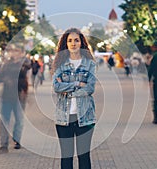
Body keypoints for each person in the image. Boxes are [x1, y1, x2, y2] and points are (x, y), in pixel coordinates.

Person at [52, 28, 96, 169]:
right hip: (64, 118)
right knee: (66, 157)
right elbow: (56, 87)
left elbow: (90, 88)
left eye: (76, 40)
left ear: (81, 42)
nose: (73, 43)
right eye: (69, 40)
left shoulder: (90, 64)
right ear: (65, 43)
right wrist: (77, 84)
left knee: (84, 158)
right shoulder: (60, 63)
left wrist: (68, 90)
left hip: (85, 117)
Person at [0, 46, 29, 154]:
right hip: (6, 95)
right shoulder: (5, 65)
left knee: (19, 120)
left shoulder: (23, 64)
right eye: (12, 51)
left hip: (19, 95)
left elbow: (25, 74)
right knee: (4, 121)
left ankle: (17, 140)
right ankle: (3, 144)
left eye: (16, 50)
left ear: (20, 53)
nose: (13, 53)